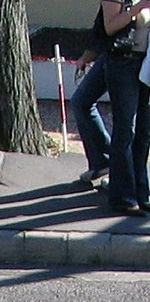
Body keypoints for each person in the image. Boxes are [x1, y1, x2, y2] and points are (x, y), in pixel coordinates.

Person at [100, 0, 150, 215]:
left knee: (144, 132)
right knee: (125, 129)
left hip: (145, 63)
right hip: (123, 62)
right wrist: (138, 8)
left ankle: (142, 193)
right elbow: (110, 26)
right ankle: (123, 197)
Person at [71, 6, 112, 186]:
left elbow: (108, 29)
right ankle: (102, 160)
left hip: (127, 58)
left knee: (127, 121)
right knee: (81, 102)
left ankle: (123, 176)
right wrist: (86, 58)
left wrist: (85, 58)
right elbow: (102, 32)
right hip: (112, 54)